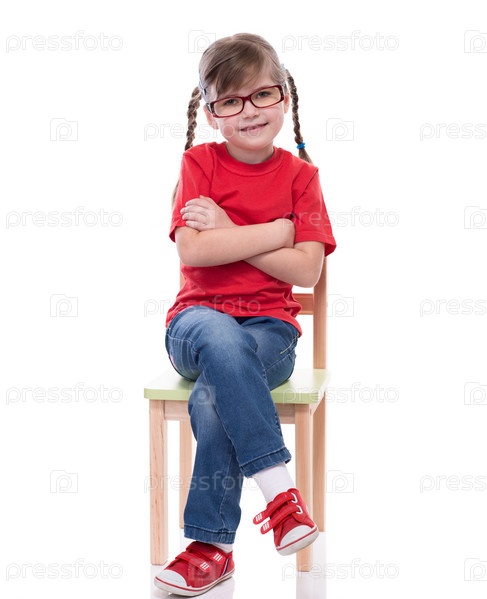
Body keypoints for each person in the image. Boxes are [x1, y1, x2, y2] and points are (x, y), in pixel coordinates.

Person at [154, 32, 337, 596]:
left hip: (269, 334)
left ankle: (210, 549)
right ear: (212, 113)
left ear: (284, 96)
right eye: (230, 101)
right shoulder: (199, 163)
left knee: (216, 390)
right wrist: (276, 232)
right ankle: (281, 494)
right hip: (194, 324)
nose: (250, 111)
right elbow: (193, 251)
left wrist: (230, 230)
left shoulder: (302, 177)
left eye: (261, 94)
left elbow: (306, 270)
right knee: (218, 337)